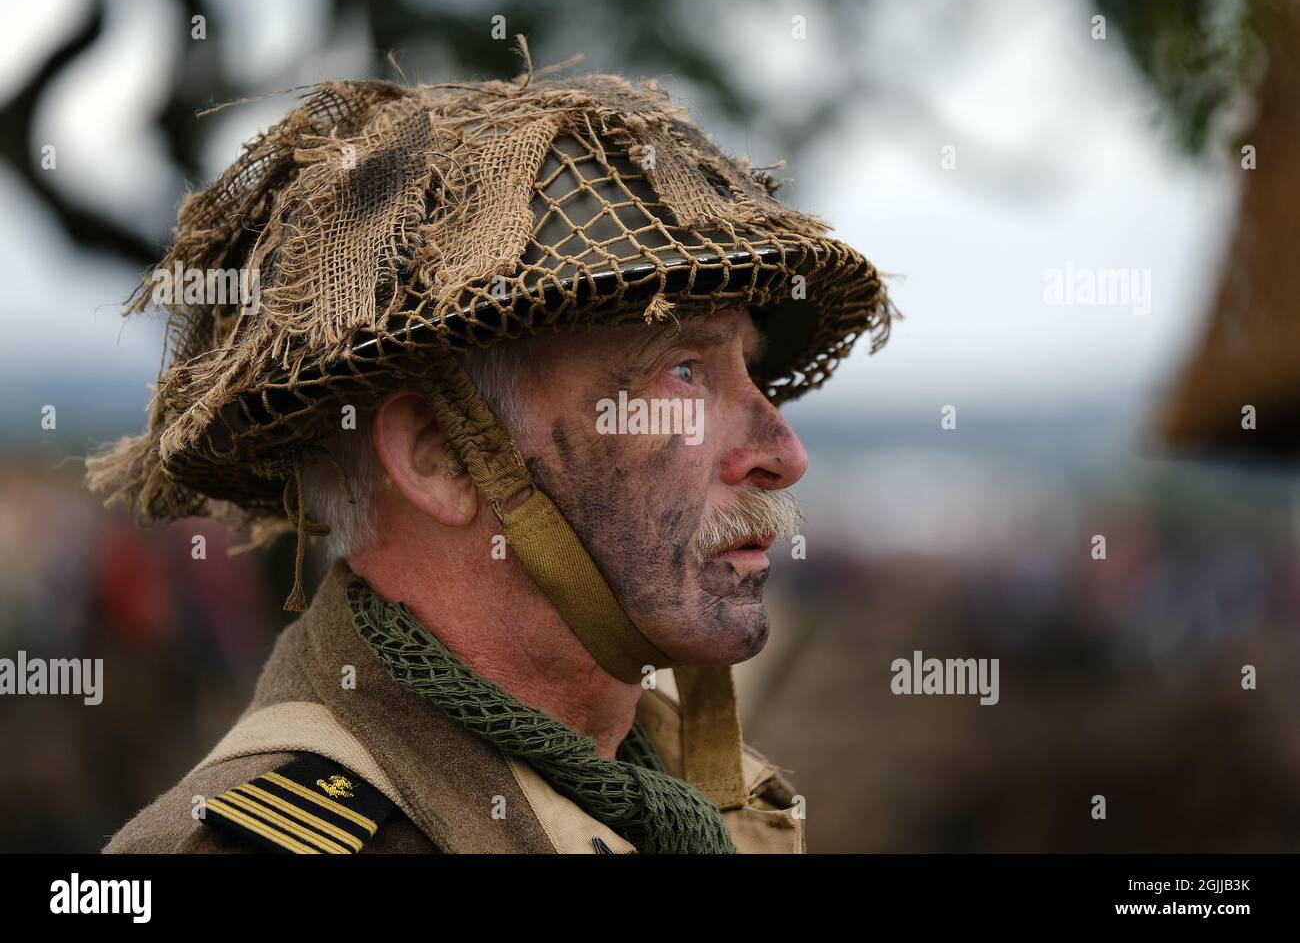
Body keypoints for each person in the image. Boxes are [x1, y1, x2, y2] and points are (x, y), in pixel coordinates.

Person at [89, 42, 894, 854]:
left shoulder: (682, 808)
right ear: (442, 457)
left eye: (746, 371)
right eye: (683, 371)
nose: (782, 452)